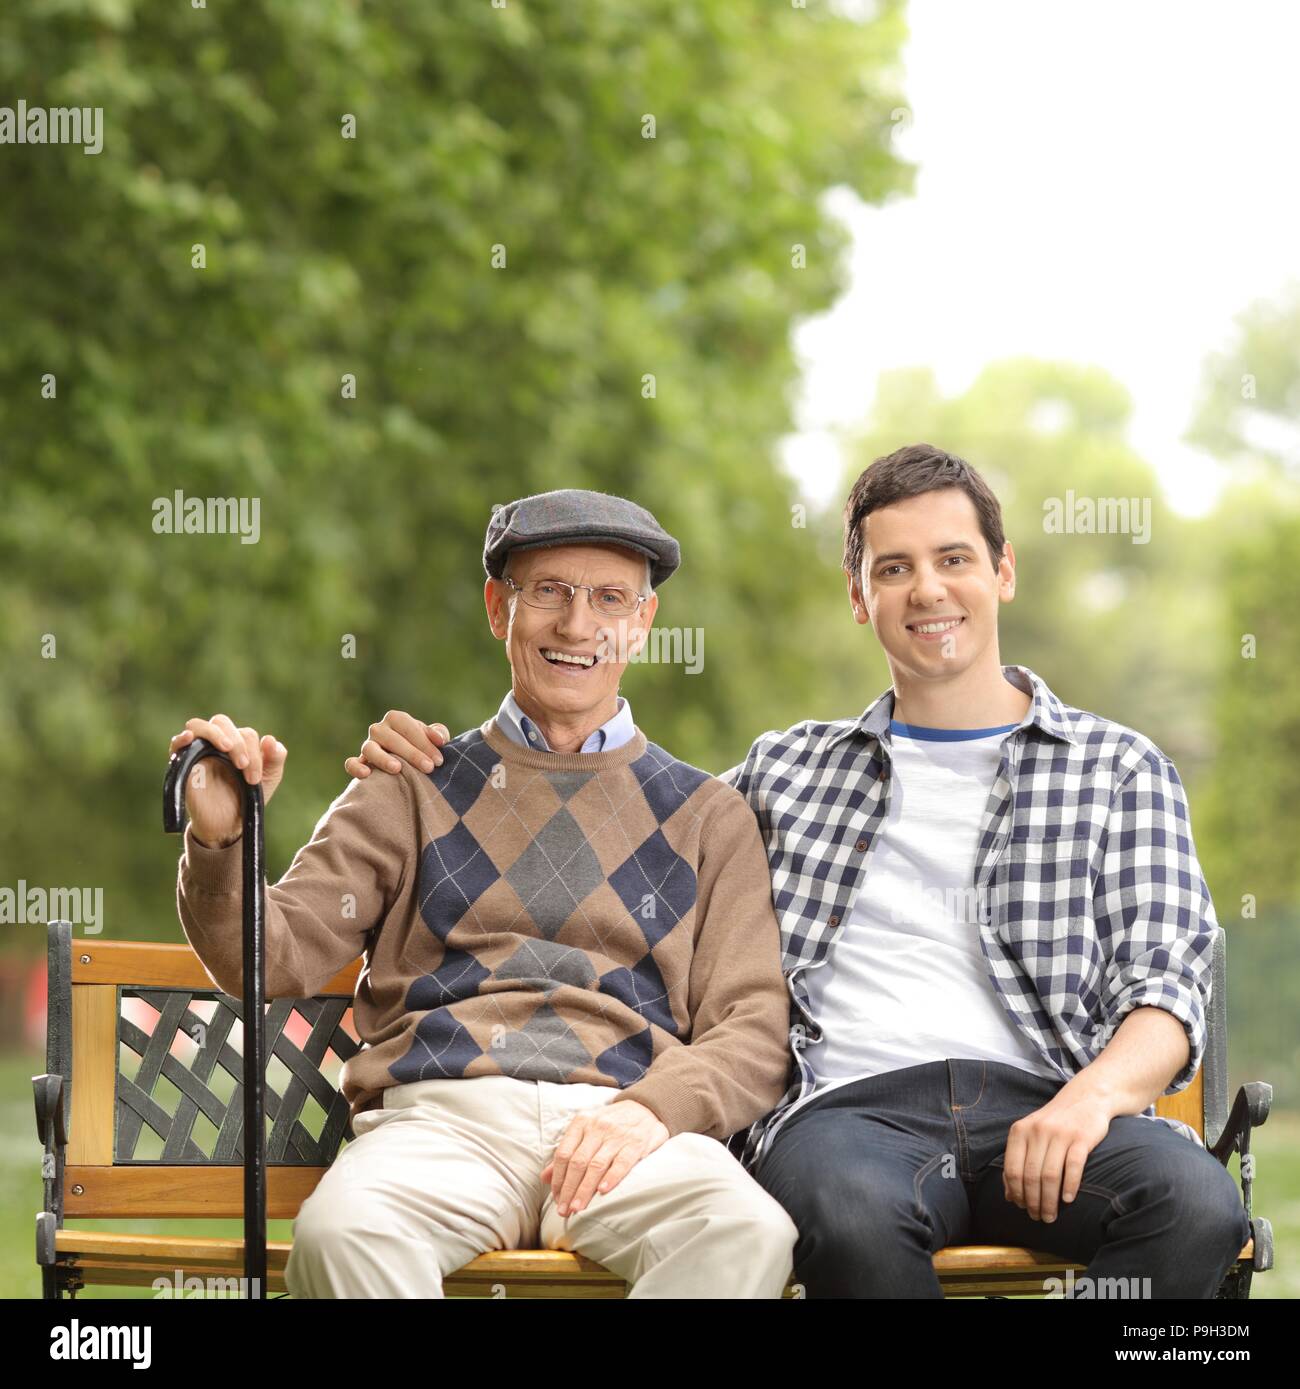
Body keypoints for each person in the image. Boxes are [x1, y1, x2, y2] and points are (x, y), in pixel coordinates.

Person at [353, 446, 1251, 1299]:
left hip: (1052, 1105)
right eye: (893, 567)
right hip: (848, 1118)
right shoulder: (784, 772)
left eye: (953, 558)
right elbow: (606, 788)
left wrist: (1091, 1099)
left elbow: (1166, 987)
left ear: (1003, 571)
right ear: (859, 597)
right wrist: (448, 763)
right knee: (843, 1214)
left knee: (1198, 1207)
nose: (927, 588)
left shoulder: (1118, 768)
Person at [169, 488, 797, 1299]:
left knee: (747, 1230)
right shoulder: (409, 785)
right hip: (444, 1122)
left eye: (609, 599)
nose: (577, 625)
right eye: (549, 592)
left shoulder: (711, 816)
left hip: (629, 1124)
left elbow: (752, 1026)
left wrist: (654, 1108)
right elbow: (266, 955)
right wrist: (223, 840)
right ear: (500, 608)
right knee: (342, 1233)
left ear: (643, 622)